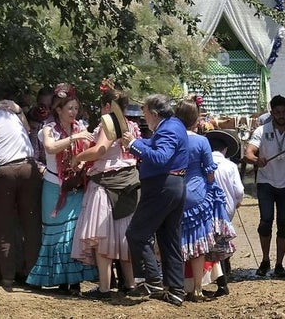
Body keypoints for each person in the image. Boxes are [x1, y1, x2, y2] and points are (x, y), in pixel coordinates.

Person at [70, 81, 140, 299]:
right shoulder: (131, 126)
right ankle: (130, 284)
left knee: (103, 238)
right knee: (123, 236)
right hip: (129, 181)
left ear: (108, 106)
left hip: (105, 183)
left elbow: (100, 150)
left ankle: (104, 287)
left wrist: (78, 158)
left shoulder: (109, 123)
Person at [26, 84, 98, 293]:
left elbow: (90, 151)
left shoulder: (81, 127)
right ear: (58, 110)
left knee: (73, 234)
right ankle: (60, 281)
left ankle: (74, 282)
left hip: (75, 187)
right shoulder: (48, 129)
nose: (73, 112)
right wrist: (75, 138)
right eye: (69, 108)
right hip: (53, 186)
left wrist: (82, 162)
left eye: (76, 108)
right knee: (56, 234)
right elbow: (50, 148)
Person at [123, 93, 188, 307]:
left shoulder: (167, 129)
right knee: (169, 239)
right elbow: (154, 145)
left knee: (136, 234)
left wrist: (134, 144)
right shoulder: (174, 125)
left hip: (162, 186)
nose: (144, 118)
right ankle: (176, 290)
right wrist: (136, 142)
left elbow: (160, 157)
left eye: (144, 113)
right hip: (174, 185)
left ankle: (153, 280)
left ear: (154, 113)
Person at [176, 98, 235, 302]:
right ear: (195, 119)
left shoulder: (171, 139)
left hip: (174, 192)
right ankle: (198, 289)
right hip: (198, 193)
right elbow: (210, 172)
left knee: (177, 240)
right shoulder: (202, 141)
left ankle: (177, 286)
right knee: (198, 242)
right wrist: (211, 187)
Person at [244, 95, 285, 278]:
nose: (280, 115)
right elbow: (248, 153)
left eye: (283, 112)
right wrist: (257, 160)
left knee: (283, 225)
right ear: (272, 113)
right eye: (277, 112)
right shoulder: (261, 131)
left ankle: (279, 264)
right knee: (265, 222)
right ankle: (265, 260)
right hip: (266, 182)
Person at [0, 98, 42, 289]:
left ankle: (7, 276)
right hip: (27, 166)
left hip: (3, 170)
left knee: (3, 225)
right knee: (31, 225)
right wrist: (18, 110)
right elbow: (28, 130)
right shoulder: (11, 112)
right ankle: (33, 276)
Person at [207, 129, 243, 298]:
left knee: (211, 241)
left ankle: (219, 277)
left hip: (207, 208)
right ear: (225, 149)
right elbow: (239, 191)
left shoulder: (203, 164)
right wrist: (237, 201)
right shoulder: (231, 166)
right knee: (223, 238)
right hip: (227, 209)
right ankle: (224, 272)